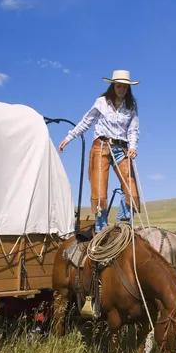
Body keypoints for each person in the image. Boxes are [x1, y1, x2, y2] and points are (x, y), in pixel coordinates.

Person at [59, 70, 140, 232]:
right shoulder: (101, 102)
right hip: (101, 147)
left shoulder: (131, 105)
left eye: (125, 86)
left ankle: (123, 224)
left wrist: (132, 146)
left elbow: (133, 129)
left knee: (131, 187)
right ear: (113, 85)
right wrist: (69, 138)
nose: (121, 89)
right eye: (118, 86)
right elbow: (86, 121)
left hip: (121, 148)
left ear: (128, 88)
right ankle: (101, 228)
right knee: (99, 188)